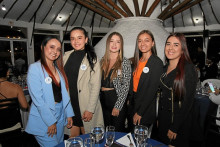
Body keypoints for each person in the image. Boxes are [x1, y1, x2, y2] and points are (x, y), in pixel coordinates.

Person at [25, 36, 74, 147]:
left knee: (60, 144)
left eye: (58, 49)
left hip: (60, 113)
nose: (55, 52)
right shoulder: (35, 68)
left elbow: (64, 95)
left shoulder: (58, 69)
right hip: (45, 117)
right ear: (42, 47)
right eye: (52, 47)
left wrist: (69, 114)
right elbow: (38, 100)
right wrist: (50, 121)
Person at [157, 33, 197, 147]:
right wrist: (159, 118)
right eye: (168, 44)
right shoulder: (164, 68)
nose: (170, 48)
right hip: (164, 119)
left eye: (176, 45)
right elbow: (162, 97)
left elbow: (187, 103)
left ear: (182, 49)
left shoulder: (188, 69)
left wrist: (175, 127)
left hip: (178, 123)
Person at [63, 27, 104, 137]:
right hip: (71, 106)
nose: (76, 41)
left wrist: (90, 109)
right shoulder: (66, 56)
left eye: (79, 38)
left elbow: (96, 86)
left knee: (89, 139)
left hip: (85, 105)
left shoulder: (92, 58)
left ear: (86, 39)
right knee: (73, 140)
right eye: (72, 39)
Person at [100, 32, 131, 132]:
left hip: (116, 100)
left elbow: (126, 87)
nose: (114, 45)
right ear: (107, 43)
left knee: (117, 134)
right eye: (111, 41)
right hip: (103, 101)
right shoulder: (102, 61)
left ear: (121, 45)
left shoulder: (124, 62)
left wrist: (117, 106)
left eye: (118, 42)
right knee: (107, 132)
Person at [133, 30, 163, 128]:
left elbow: (152, 90)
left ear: (152, 43)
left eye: (147, 40)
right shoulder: (137, 60)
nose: (143, 44)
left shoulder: (156, 62)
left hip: (144, 109)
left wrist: (140, 112)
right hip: (133, 104)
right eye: (140, 41)